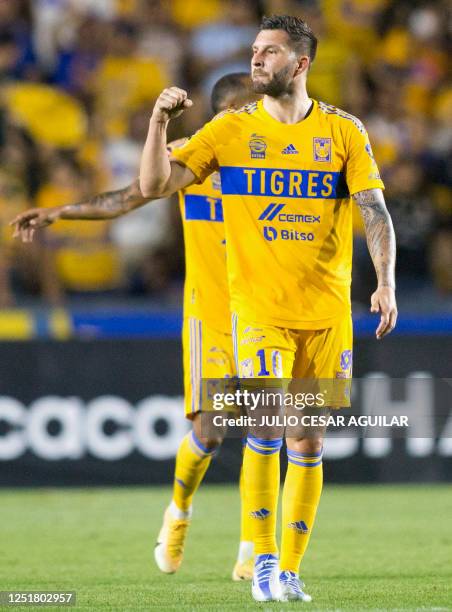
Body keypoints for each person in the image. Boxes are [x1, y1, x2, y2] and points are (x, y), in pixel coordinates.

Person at [138, 14, 397, 603]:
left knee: (308, 441)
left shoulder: (344, 132)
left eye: (270, 52)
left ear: (300, 64)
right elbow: (154, 186)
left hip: (326, 312)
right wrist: (157, 123)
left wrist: (385, 281)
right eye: (254, 50)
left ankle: (288, 569)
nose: (257, 60)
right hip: (255, 311)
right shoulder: (230, 131)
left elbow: (374, 210)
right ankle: (261, 559)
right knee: (264, 426)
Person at [10, 72, 260, 582]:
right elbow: (125, 199)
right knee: (209, 433)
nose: (261, 118)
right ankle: (179, 512)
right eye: (250, 109)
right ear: (225, 112)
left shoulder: (280, 155)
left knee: (265, 427)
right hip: (211, 317)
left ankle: (256, 547)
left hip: (268, 313)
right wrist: (61, 211)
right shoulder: (193, 155)